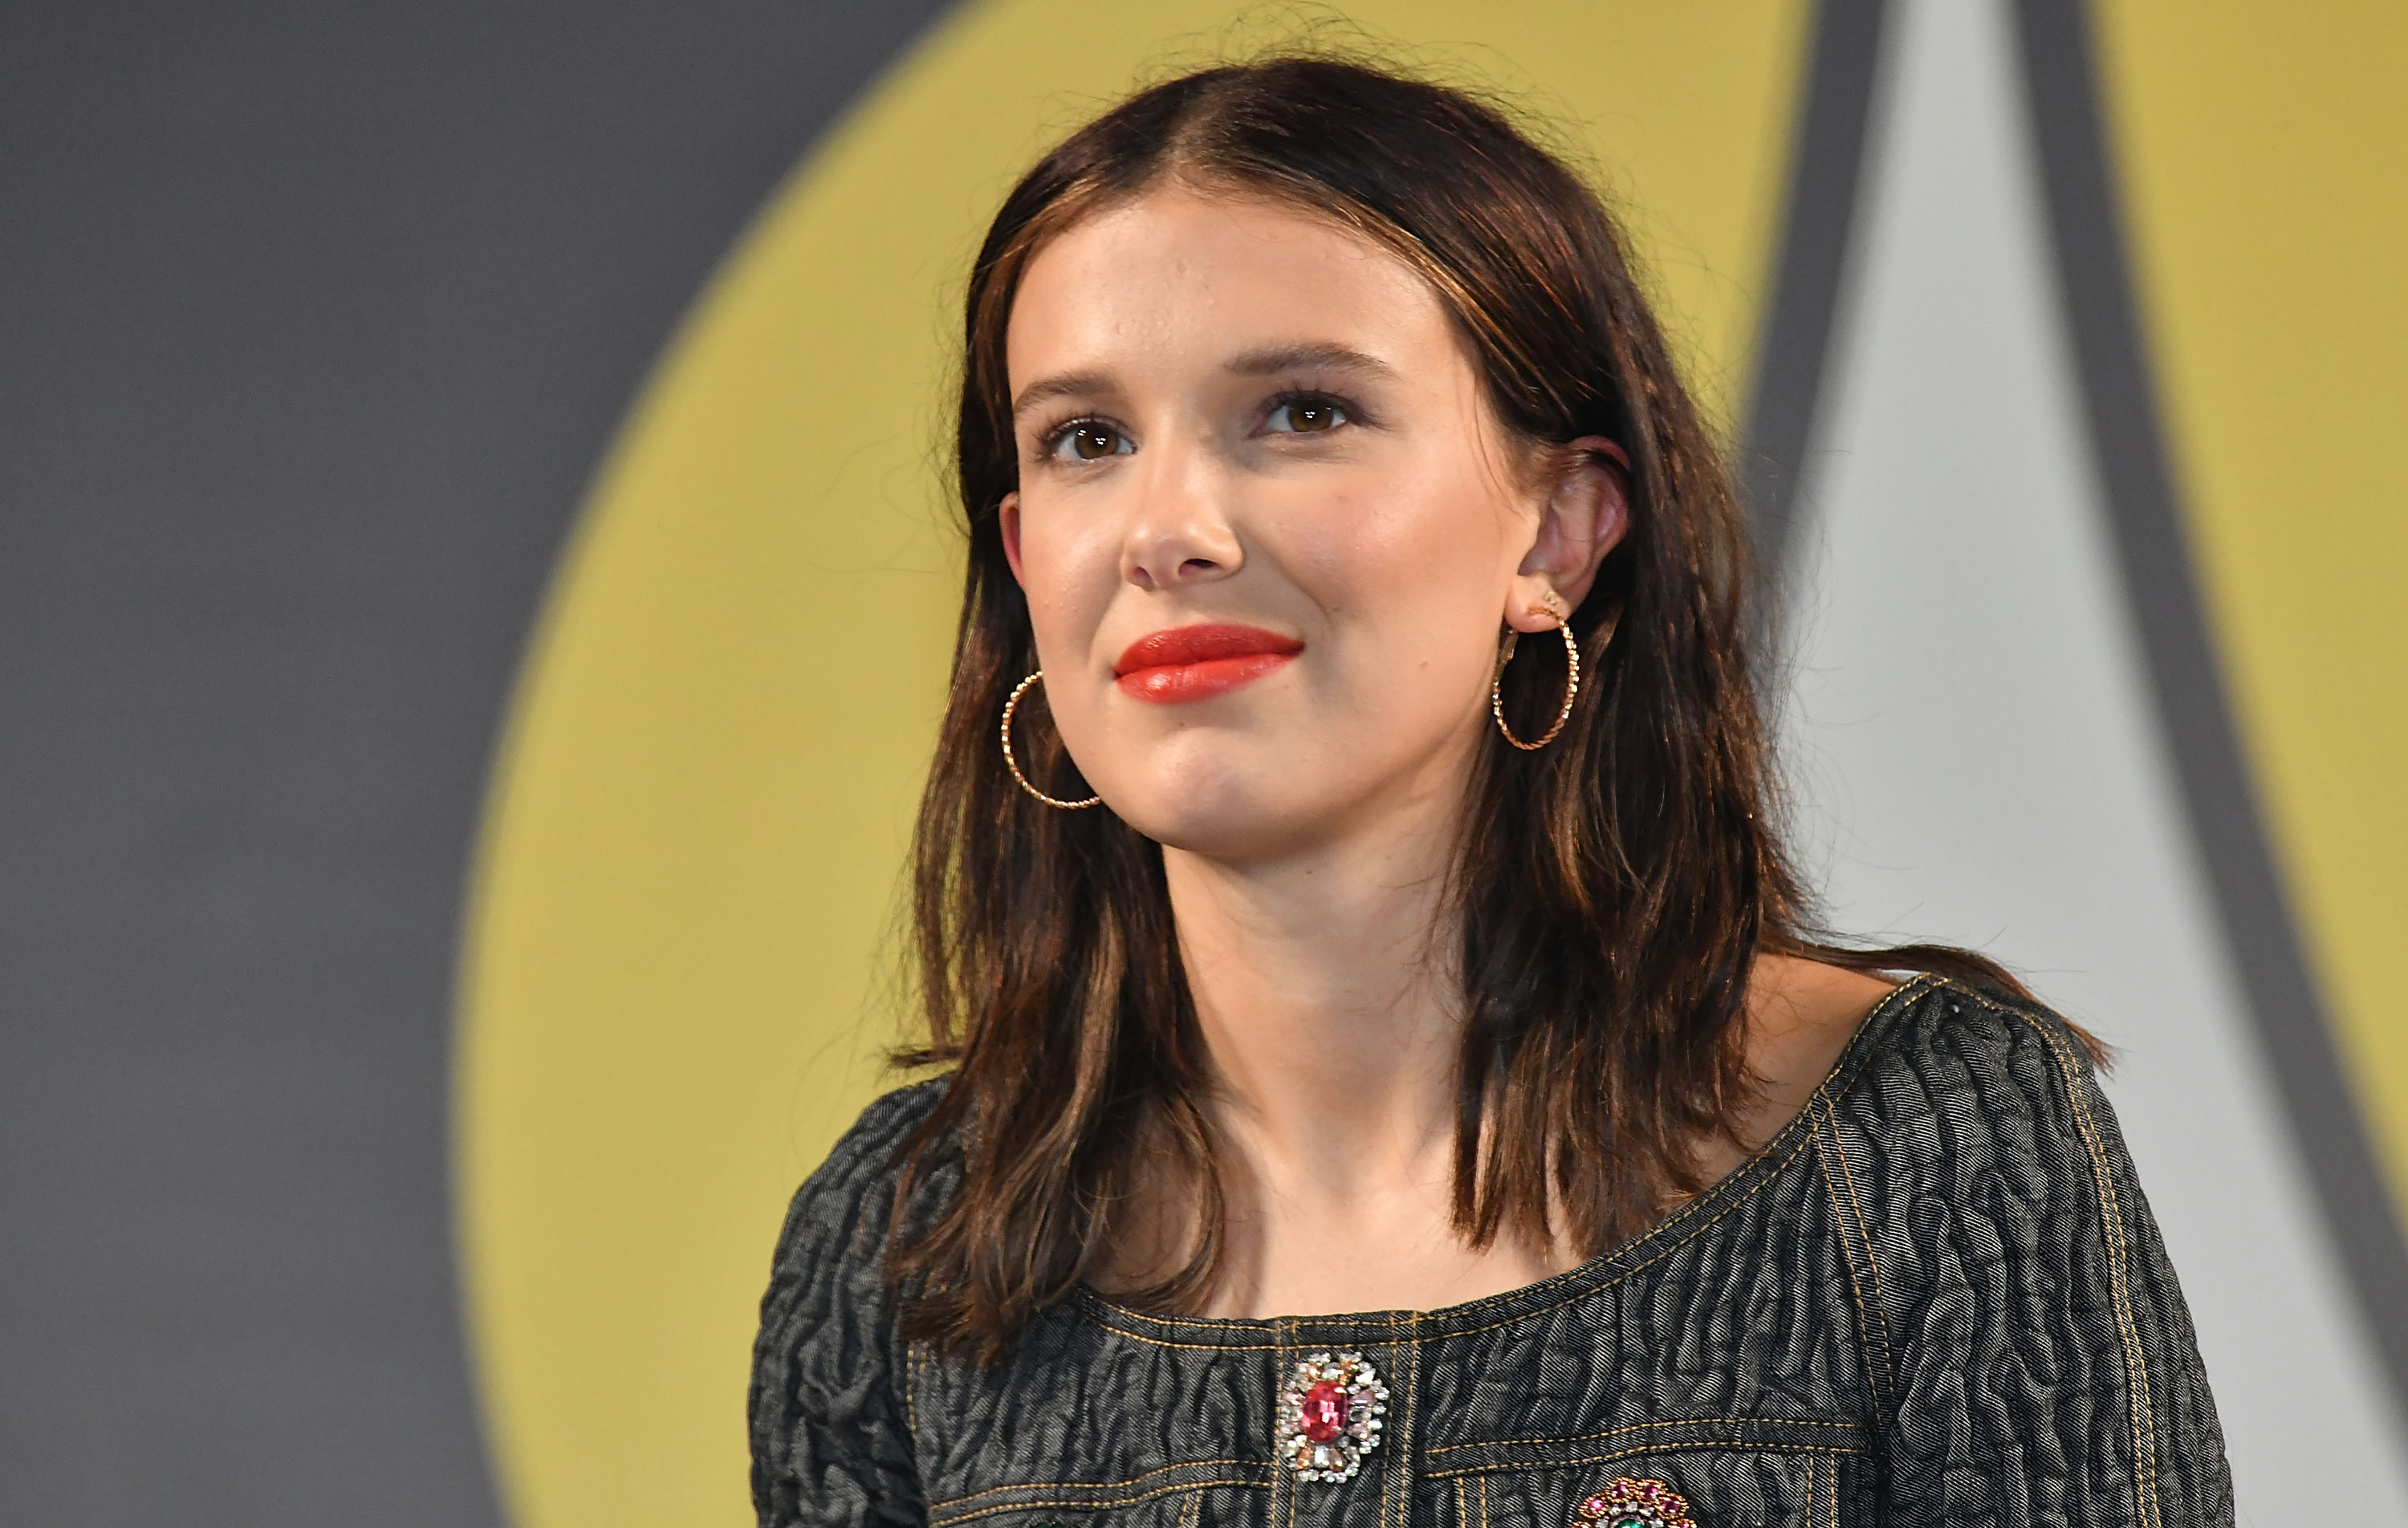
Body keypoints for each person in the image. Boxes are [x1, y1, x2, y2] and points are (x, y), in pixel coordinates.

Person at [750, 55, 2230, 1528]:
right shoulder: (901, 1243)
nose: (1168, 530)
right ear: (1023, 561)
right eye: (1086, 440)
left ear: (1561, 535)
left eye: (1303, 412)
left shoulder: (1920, 1146)